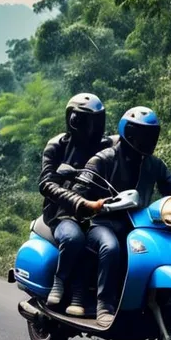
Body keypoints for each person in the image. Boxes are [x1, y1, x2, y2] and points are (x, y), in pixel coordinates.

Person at [71, 106, 171, 327]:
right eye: (141, 134)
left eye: (151, 135)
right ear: (127, 133)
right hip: (103, 222)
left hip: (139, 224)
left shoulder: (153, 163)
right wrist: (92, 204)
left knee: (158, 249)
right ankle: (104, 306)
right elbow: (81, 186)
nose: (147, 140)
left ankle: (151, 300)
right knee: (110, 247)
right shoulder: (103, 158)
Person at [38, 93, 115, 316]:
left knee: (110, 243)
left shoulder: (107, 145)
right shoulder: (56, 146)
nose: (89, 128)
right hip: (61, 213)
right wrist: (80, 203)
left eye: (94, 121)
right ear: (71, 119)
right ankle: (61, 282)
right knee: (74, 238)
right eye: (83, 120)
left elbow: (127, 149)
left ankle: (105, 300)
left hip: (100, 212)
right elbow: (46, 184)